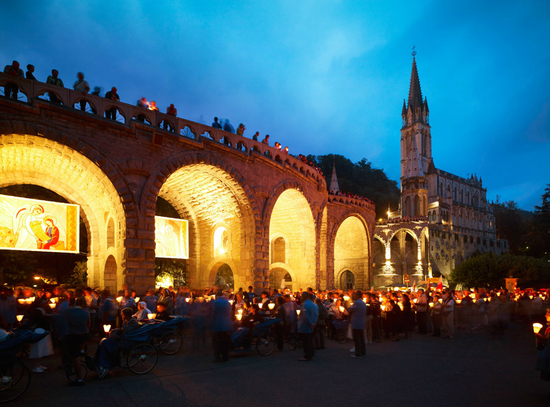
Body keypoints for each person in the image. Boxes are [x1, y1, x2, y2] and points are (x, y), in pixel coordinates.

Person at [95, 307, 139, 379]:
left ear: (126, 315)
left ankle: (104, 365)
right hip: (122, 338)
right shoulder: (128, 320)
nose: (121, 316)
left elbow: (127, 330)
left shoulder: (132, 321)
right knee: (103, 341)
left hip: (126, 340)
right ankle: (99, 362)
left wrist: (124, 322)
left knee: (106, 343)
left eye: (122, 315)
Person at [64, 297, 90, 386]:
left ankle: (79, 378)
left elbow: (65, 323)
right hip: (83, 335)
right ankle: (82, 351)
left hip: (73, 335)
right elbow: (88, 325)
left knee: (75, 358)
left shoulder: (68, 312)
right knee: (78, 354)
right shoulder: (86, 313)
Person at [211, 290, 232, 362]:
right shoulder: (227, 303)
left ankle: (217, 357)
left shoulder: (215, 303)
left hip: (216, 325)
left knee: (217, 342)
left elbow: (212, 313)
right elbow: (229, 314)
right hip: (225, 325)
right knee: (224, 342)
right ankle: (225, 356)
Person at [297, 292, 318, 361]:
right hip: (311, 324)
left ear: (303, 296)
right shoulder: (313, 304)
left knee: (306, 342)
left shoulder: (305, 305)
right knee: (310, 340)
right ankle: (311, 353)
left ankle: (307, 356)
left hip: (305, 325)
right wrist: (314, 322)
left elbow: (306, 316)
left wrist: (310, 324)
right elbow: (316, 314)